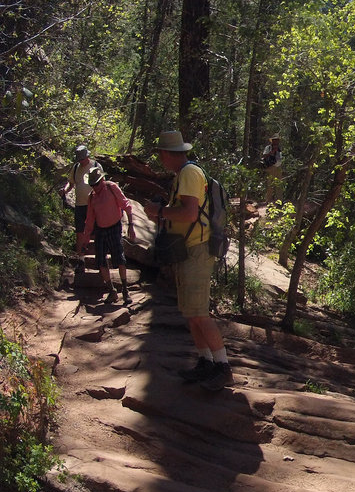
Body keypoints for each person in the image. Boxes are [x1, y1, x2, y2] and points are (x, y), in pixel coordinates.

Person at [143, 130, 233, 392]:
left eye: (160, 153)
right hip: (187, 249)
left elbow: (190, 214)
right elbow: (183, 214)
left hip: (197, 250)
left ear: (168, 154)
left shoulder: (190, 174)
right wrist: (160, 214)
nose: (159, 158)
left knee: (200, 314)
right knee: (191, 313)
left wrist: (158, 210)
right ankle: (206, 361)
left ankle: (223, 367)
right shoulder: (182, 175)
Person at [77, 168, 135, 305]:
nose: (95, 187)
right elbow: (90, 219)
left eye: (96, 184)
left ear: (102, 180)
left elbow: (126, 205)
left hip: (115, 227)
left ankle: (125, 290)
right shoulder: (92, 197)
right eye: (92, 185)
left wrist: (131, 225)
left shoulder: (111, 188)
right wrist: (85, 239)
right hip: (100, 230)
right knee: (101, 261)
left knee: (119, 259)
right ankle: (112, 291)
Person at [65, 145, 103, 254]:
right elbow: (71, 183)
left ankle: (99, 260)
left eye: (82, 159)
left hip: (93, 205)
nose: (81, 161)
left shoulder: (96, 166)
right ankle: (80, 259)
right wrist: (65, 190)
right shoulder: (76, 167)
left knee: (95, 233)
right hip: (79, 205)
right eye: (79, 159)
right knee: (79, 232)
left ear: (87, 156)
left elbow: (102, 185)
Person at [262, 135, 283, 201]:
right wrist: (272, 152)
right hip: (270, 167)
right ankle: (268, 201)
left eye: (277, 140)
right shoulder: (268, 148)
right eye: (275, 140)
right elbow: (264, 156)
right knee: (270, 185)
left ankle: (279, 201)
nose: (276, 141)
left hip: (278, 167)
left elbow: (280, 158)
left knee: (279, 185)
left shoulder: (279, 149)